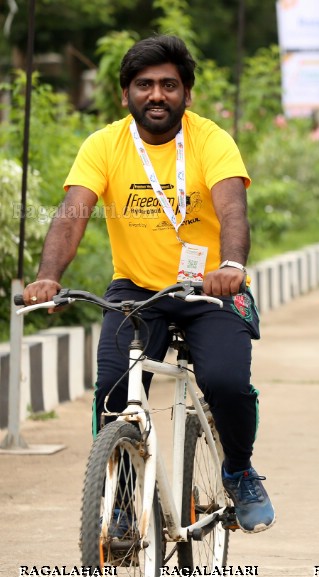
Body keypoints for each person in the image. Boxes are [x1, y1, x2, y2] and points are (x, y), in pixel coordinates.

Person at [22, 35, 274, 532]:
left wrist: (232, 265)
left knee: (225, 382)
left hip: (208, 289)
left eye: (168, 85)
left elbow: (231, 210)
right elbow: (72, 215)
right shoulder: (103, 145)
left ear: (187, 94)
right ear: (125, 95)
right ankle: (121, 496)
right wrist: (49, 277)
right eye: (144, 85)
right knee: (114, 391)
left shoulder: (212, 140)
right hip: (136, 291)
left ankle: (239, 469)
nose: (156, 95)